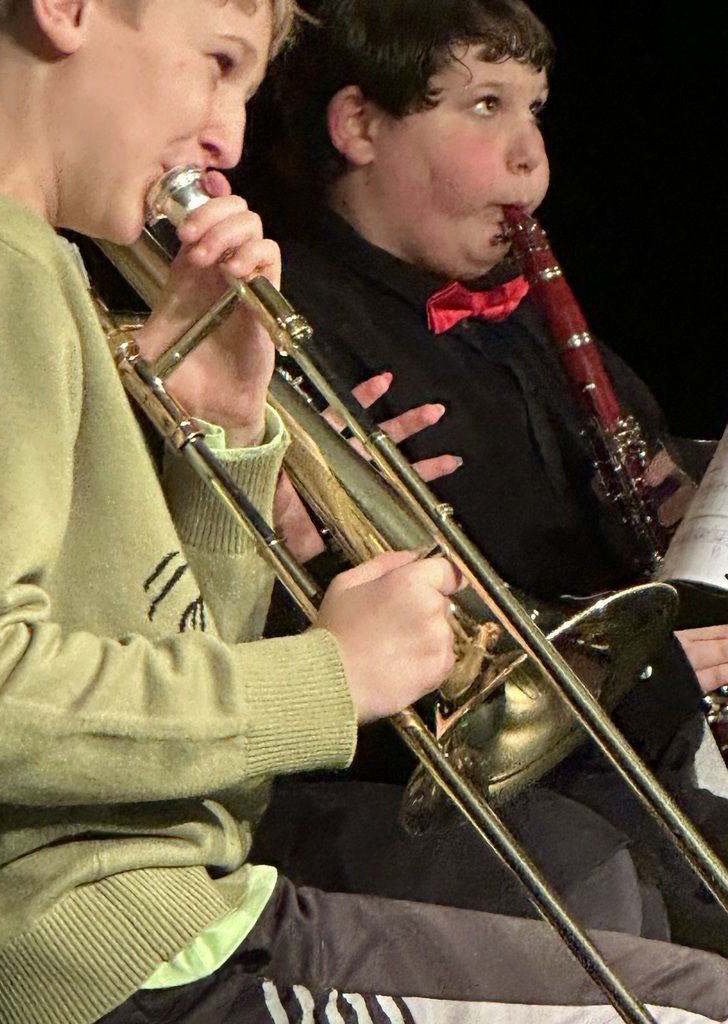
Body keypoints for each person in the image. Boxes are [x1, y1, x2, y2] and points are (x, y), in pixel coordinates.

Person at [0, 2, 728, 1024]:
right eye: (217, 63)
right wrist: (333, 673)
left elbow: (160, 649)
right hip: (119, 949)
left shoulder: (37, 262)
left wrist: (224, 441)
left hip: (189, 906)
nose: (227, 139)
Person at [239, 0, 728, 958]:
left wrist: (682, 516)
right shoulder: (288, 325)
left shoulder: (527, 317)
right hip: (448, 794)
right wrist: (641, 675)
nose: (528, 156)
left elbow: (653, 525)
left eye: (534, 109)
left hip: (626, 753)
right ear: (360, 126)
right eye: (484, 105)